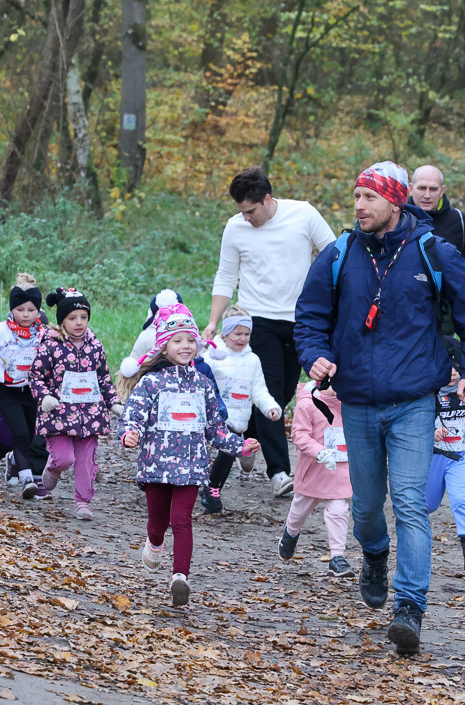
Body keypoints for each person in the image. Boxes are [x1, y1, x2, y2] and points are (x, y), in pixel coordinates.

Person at [294, 160, 465, 655]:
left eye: (368, 197)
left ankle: (410, 607)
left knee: (409, 502)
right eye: (356, 196)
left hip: (413, 401)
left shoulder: (433, 251)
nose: (358, 206)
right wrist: (315, 354)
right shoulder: (340, 253)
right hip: (355, 402)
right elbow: (310, 314)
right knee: (365, 509)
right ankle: (376, 556)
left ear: (394, 201)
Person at [202, 167, 336, 498]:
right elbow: (225, 276)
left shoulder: (303, 214)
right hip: (255, 320)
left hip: (301, 320)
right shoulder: (235, 228)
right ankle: (279, 472)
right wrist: (213, 322)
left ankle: (246, 434)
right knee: (270, 391)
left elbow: (336, 255)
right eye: (240, 211)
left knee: (283, 392)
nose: (246, 217)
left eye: (251, 210)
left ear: (267, 199)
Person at [118, 302, 257, 606]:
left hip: (191, 467)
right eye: (177, 340)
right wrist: (130, 434)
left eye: (190, 340)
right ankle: (154, 543)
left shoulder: (205, 386)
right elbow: (133, 416)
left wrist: (239, 446)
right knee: (157, 521)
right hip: (156, 465)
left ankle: (180, 578)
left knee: (181, 520)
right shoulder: (151, 383)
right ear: (163, 347)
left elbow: (215, 429)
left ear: (198, 345)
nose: (185, 345)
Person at [29, 287, 122, 521]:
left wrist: (114, 403)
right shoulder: (50, 345)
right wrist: (45, 396)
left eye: (83, 317)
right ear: (62, 321)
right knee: (65, 458)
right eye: (72, 318)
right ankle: (52, 468)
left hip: (90, 415)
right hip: (59, 414)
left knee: (85, 462)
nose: (79, 323)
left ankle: (83, 501)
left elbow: (103, 379)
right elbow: (36, 376)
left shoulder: (95, 346)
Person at [0, 273, 47, 500]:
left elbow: (52, 358)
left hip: (31, 390)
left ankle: (0, 454)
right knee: (20, 433)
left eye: (31, 310)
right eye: (20, 310)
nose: (25, 315)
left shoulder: (43, 334)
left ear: (38, 311)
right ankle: (27, 479)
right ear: (12, 309)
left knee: (31, 432)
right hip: (6, 389)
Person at [198, 306, 281, 513]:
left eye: (247, 334)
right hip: (214, 414)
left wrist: (270, 407)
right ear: (225, 333)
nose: (243, 338)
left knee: (230, 451)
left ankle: (213, 488)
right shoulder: (213, 356)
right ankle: (197, 483)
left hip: (238, 417)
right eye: (238, 333)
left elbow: (259, 389)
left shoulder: (253, 360)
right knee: (205, 450)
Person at [279, 381, 354, 578]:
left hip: (341, 471)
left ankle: (337, 557)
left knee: (339, 510)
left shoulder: (352, 404)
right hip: (314, 469)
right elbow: (299, 435)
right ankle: (291, 532)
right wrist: (319, 452)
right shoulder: (308, 403)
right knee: (300, 508)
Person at [427, 338, 465, 572]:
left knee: (461, 499)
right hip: (436, 457)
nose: (452, 373)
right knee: (427, 505)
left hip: (459, 456)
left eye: (457, 368)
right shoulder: (429, 396)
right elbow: (419, 422)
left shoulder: (464, 393)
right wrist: (432, 431)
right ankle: (414, 541)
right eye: (447, 367)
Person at [410, 165, 465, 272]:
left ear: (442, 191)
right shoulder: (396, 219)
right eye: (422, 188)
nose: (427, 195)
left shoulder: (462, 222)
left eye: (433, 189)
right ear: (411, 189)